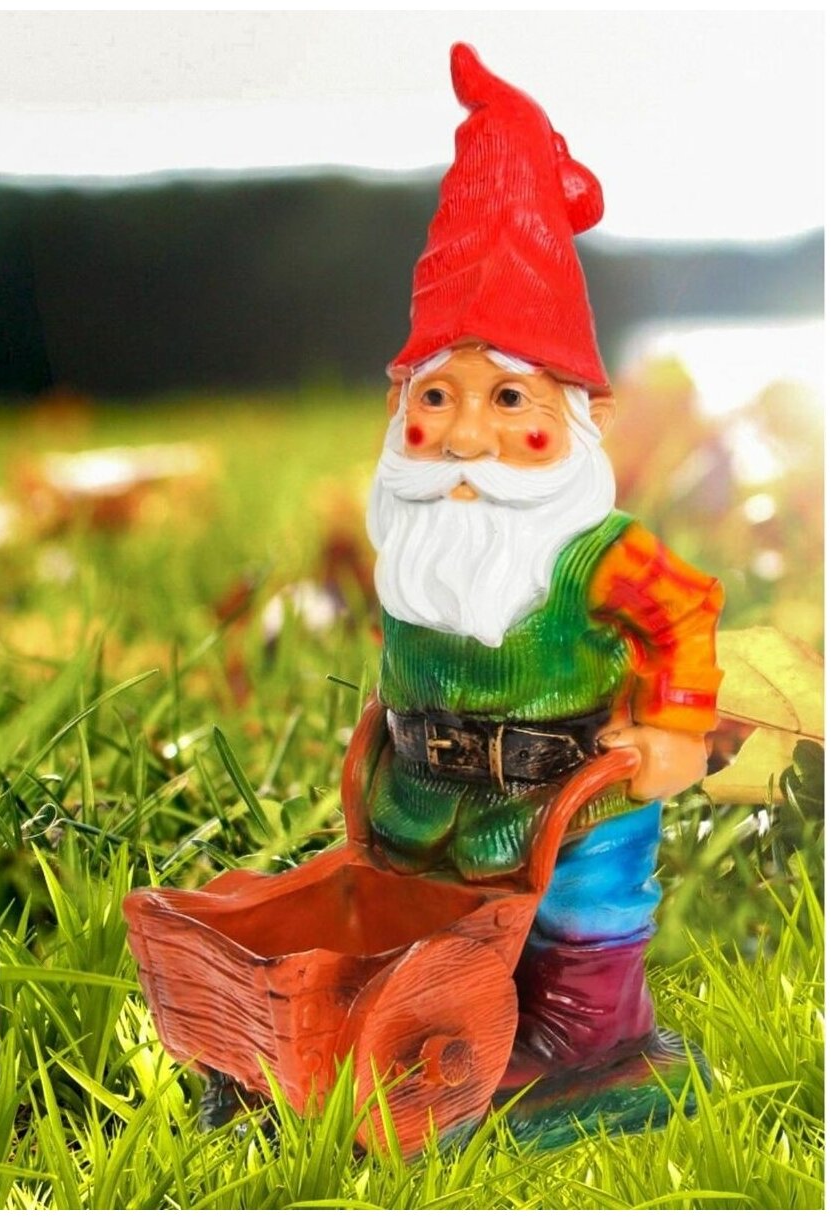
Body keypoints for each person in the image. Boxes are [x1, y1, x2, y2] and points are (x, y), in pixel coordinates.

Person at [352, 43, 723, 1080]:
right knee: (435, 927)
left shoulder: (595, 549)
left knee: (584, 916)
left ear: (583, 416)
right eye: (437, 397)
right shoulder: (414, 529)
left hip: (577, 796)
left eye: (509, 399)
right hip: (424, 802)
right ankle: (464, 1027)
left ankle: (593, 1041)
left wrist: (676, 727)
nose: (466, 434)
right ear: (400, 405)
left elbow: (684, 611)